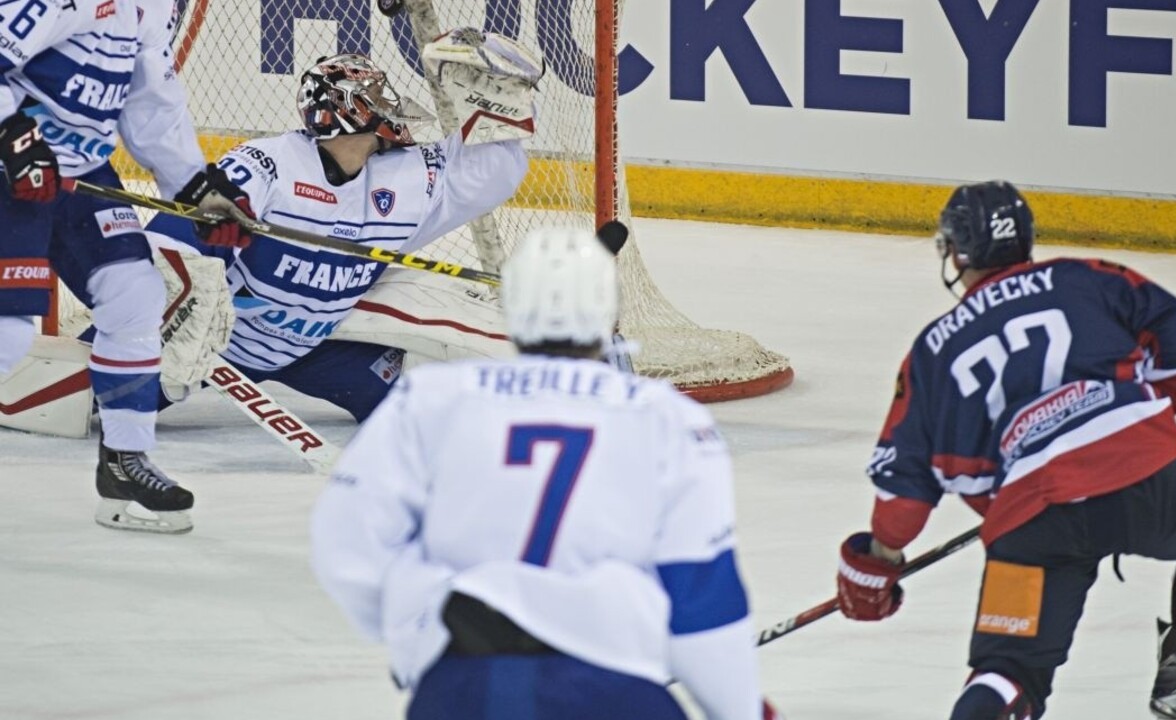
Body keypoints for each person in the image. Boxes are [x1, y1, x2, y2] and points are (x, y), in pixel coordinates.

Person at [834, 181, 1176, 720]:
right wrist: (1132, 415)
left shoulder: (932, 350)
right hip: (1157, 487)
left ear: (957, 252)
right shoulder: (1091, 278)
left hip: (1032, 525)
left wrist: (876, 563)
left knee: (1005, 673)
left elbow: (904, 494)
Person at [310, 228, 779, 719]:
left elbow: (349, 541)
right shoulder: (667, 417)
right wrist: (740, 710)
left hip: (464, 686)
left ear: (512, 307)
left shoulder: (431, 397)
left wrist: (421, 640)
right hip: (611, 689)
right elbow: (700, 589)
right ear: (607, 309)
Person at [147, 37, 534, 424]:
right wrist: (175, 319)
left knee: (421, 412)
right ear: (352, 109)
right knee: (116, 400)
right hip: (220, 340)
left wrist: (495, 106)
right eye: (378, 96)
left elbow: (493, 173)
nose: (390, 105)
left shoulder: (406, 176)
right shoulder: (269, 163)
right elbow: (177, 235)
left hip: (318, 347)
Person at [0, 0, 253, 534]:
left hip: (80, 174)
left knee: (135, 294)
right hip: (13, 171)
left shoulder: (152, 7)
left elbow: (151, 102)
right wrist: (11, 134)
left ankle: (123, 462)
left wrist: (194, 187)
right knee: (7, 332)